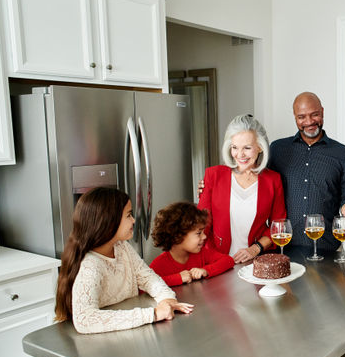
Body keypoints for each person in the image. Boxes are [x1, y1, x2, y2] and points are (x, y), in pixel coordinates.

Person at [54, 187, 193, 335]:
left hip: (127, 334)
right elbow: (85, 320)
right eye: (128, 215)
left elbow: (148, 278)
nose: (133, 220)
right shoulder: (90, 265)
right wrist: (153, 314)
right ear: (108, 221)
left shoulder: (122, 248)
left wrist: (167, 299)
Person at [268, 92, 345, 251]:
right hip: (284, 245)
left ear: (322, 111)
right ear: (295, 117)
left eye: (315, 115)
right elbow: (266, 191)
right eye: (301, 117)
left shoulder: (342, 153)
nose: (309, 122)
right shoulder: (277, 149)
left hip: (327, 246)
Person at [198, 114, 286, 263]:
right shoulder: (213, 175)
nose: (240, 155)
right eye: (235, 148)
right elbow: (201, 225)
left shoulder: (273, 180)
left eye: (247, 148)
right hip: (216, 261)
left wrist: (255, 249)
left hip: (255, 263)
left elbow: (279, 225)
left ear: (259, 147)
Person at [150, 202, 234, 286]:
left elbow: (228, 260)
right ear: (177, 236)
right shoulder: (159, 264)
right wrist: (177, 278)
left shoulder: (202, 253)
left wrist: (205, 270)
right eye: (199, 233)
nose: (204, 236)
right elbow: (145, 287)